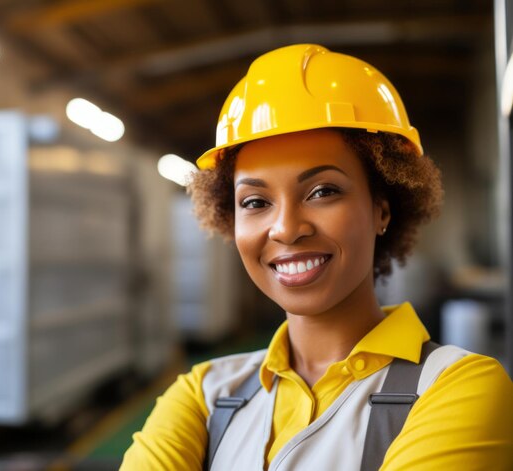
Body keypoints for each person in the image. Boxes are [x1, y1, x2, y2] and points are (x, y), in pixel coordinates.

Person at [120, 44, 513, 470]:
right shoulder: (203, 394)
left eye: (323, 191)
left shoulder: (458, 387)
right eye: (255, 202)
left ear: (382, 209)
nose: (286, 228)